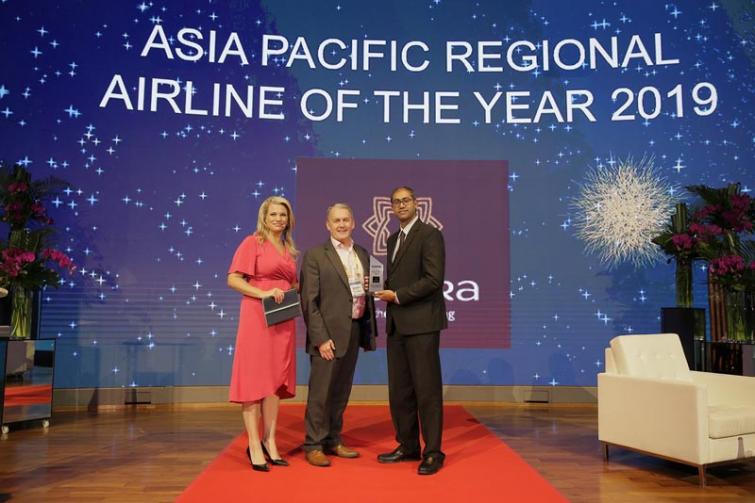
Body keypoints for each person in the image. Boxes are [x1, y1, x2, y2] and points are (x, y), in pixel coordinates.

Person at [374, 186, 447, 476]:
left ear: (416, 203)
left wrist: (398, 295)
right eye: (396, 202)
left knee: (427, 391)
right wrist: (377, 286)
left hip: (422, 324)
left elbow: (433, 279)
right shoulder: (392, 239)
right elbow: (396, 279)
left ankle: (433, 452)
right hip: (397, 324)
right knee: (400, 391)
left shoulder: (430, 234)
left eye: (406, 200)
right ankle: (408, 445)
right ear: (391, 207)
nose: (401, 205)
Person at [300, 203, 377, 467]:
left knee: (341, 390)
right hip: (327, 335)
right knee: (320, 393)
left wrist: (371, 287)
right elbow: (309, 301)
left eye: (346, 220)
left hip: (354, 330)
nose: (342, 224)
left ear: (353, 223)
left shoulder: (362, 253)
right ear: (328, 225)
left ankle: (333, 439)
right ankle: (313, 444)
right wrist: (320, 338)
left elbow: (369, 290)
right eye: (337, 220)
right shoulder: (315, 255)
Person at [227, 196, 298, 472]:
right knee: (254, 379)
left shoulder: (289, 249)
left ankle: (270, 440)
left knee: (275, 381)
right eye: (274, 214)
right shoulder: (252, 242)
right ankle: (254, 444)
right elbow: (233, 278)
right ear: (264, 218)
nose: (279, 219)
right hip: (257, 317)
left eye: (283, 214)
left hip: (282, 319)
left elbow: (292, 283)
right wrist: (263, 293)